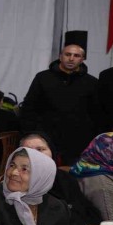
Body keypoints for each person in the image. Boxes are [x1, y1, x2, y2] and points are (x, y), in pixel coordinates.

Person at [21, 31, 101, 165]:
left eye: (76, 56)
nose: (71, 58)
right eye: (68, 54)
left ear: (82, 59)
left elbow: (96, 113)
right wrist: (31, 134)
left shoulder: (91, 82)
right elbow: (29, 108)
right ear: (60, 56)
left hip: (77, 143)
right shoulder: (43, 78)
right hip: (46, 140)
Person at [19, 132, 101, 225]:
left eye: (40, 149)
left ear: (52, 152)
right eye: (28, 151)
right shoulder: (20, 184)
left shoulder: (64, 178)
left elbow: (85, 208)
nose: (35, 155)